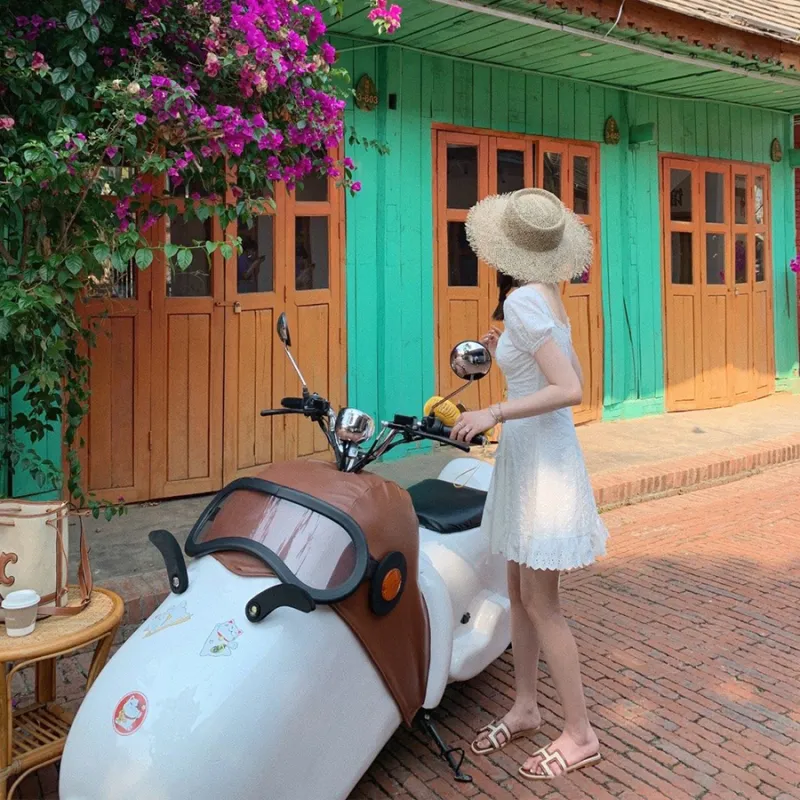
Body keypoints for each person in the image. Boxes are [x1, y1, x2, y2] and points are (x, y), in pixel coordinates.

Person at [450, 188, 607, 782]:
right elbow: (560, 371)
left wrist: (492, 412)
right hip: (534, 453)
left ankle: (581, 734)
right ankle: (525, 705)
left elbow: (571, 388)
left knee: (542, 603)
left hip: (542, 460)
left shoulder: (521, 301)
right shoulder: (546, 296)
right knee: (518, 592)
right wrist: (505, 351)